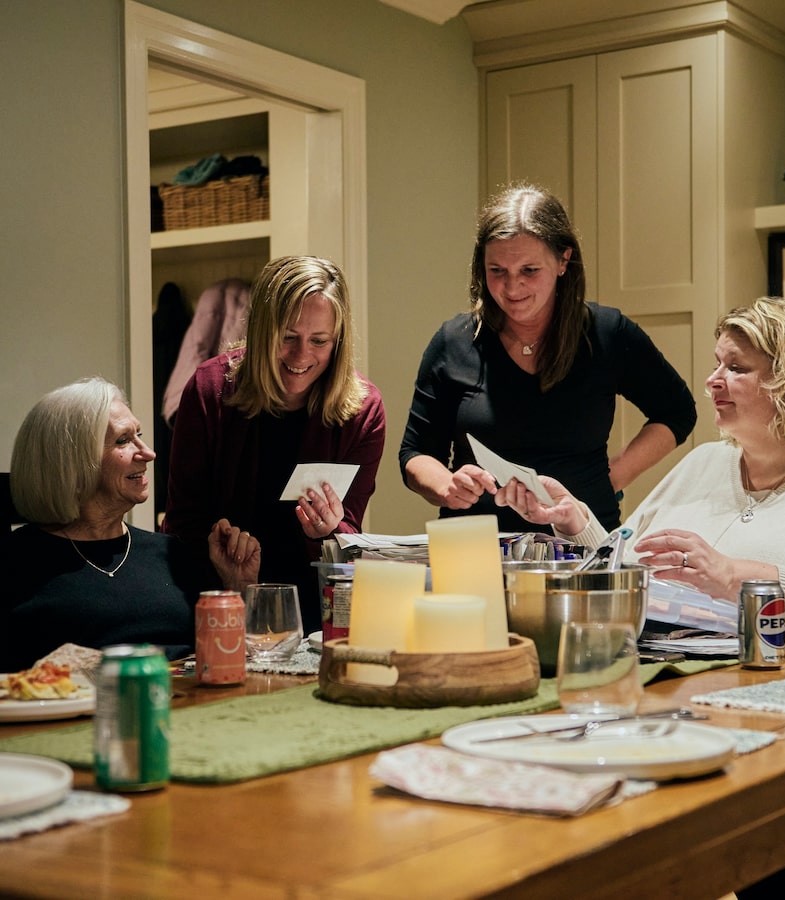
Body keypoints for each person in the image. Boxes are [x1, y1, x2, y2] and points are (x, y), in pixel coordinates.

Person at [495, 296, 785, 645]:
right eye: (717, 364)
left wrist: (736, 578)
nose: (713, 381)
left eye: (736, 368)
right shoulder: (705, 461)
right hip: (668, 674)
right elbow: (631, 573)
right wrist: (575, 522)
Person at [399, 183, 696, 533]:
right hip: (474, 544)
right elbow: (415, 453)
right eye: (497, 271)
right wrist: (446, 487)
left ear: (563, 261)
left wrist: (610, 478)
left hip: (578, 545)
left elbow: (677, 411)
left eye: (529, 271)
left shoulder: (606, 333)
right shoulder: (454, 341)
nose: (512, 288)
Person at [163, 255, 386, 630]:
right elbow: (182, 520)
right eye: (288, 337)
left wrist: (329, 531)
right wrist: (223, 558)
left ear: (339, 341)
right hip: (218, 600)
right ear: (262, 329)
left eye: (319, 341)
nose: (302, 356)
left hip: (315, 611)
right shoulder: (209, 390)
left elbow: (350, 537)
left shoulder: (362, 409)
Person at [2, 378, 260, 671]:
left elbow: (228, 659)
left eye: (139, 434)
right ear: (70, 463)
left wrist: (237, 587)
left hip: (193, 707)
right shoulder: (13, 562)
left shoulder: (174, 553)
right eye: (124, 440)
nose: (148, 453)